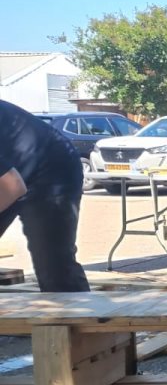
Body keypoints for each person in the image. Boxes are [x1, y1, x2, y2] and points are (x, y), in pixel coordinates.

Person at [0, 100, 90, 292]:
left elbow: (11, 185)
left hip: (51, 163)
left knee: (54, 266)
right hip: (14, 163)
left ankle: (76, 315)